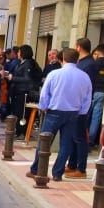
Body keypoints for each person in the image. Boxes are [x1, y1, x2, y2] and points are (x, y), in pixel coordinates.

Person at [28, 48, 93, 181]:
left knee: (45, 141)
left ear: (63, 58)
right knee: (66, 144)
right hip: (73, 113)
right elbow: (87, 98)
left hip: (54, 111)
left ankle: (36, 169)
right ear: (77, 59)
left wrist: (43, 107)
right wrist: (82, 112)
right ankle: (57, 173)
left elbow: (45, 93)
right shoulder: (84, 76)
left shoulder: (54, 74)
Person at [77, 43, 104, 167]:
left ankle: (88, 140)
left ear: (97, 53)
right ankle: (91, 141)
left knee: (88, 115)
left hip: (94, 91)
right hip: (103, 93)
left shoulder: (94, 64)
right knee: (96, 117)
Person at [7, 45, 42, 129]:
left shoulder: (27, 64)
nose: (18, 53)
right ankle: (18, 130)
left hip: (23, 92)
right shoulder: (22, 63)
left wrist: (13, 78)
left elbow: (27, 78)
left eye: (19, 52)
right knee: (17, 112)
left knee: (21, 113)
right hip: (18, 90)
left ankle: (21, 131)